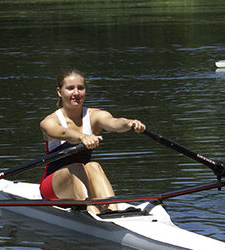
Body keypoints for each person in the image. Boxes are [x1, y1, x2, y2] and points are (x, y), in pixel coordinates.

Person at [39, 69, 145, 212]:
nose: (76, 93)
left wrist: (129, 123)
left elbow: (113, 123)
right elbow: (62, 132)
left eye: (80, 88)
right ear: (59, 91)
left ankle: (112, 210)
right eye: (70, 88)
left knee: (93, 165)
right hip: (53, 186)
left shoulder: (94, 115)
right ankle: (92, 211)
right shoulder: (49, 121)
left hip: (83, 180)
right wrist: (82, 137)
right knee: (76, 167)